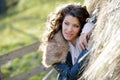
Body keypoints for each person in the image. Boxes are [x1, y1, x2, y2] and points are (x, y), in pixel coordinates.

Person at [40, 2, 94, 80]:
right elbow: (71, 76)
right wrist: (87, 50)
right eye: (66, 23)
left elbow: (96, 20)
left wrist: (88, 27)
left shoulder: (84, 35)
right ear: (61, 22)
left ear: (81, 26)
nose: (69, 30)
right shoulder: (53, 48)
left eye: (75, 26)